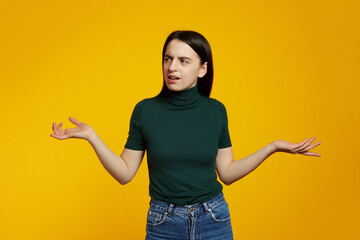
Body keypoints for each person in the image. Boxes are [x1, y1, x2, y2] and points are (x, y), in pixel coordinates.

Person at [50, 30, 321, 240]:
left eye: (183, 60)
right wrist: (92, 137)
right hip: (163, 221)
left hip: (213, 218)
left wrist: (272, 147)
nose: (172, 67)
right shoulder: (145, 111)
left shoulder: (216, 111)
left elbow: (226, 173)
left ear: (202, 69)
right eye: (168, 59)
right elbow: (124, 174)